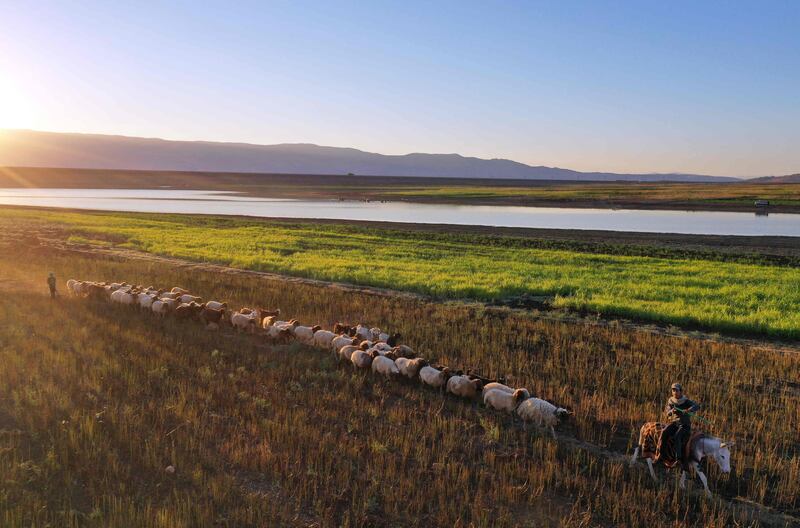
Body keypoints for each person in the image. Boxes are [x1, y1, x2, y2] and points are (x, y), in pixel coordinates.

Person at [658, 382, 700, 465]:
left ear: (681, 392)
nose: (674, 392)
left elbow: (697, 406)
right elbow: (667, 411)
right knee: (664, 432)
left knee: (677, 436)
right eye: (673, 390)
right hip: (675, 423)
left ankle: (678, 459)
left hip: (684, 425)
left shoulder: (685, 401)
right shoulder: (671, 401)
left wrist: (689, 410)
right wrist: (671, 411)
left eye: (676, 391)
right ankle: (661, 454)